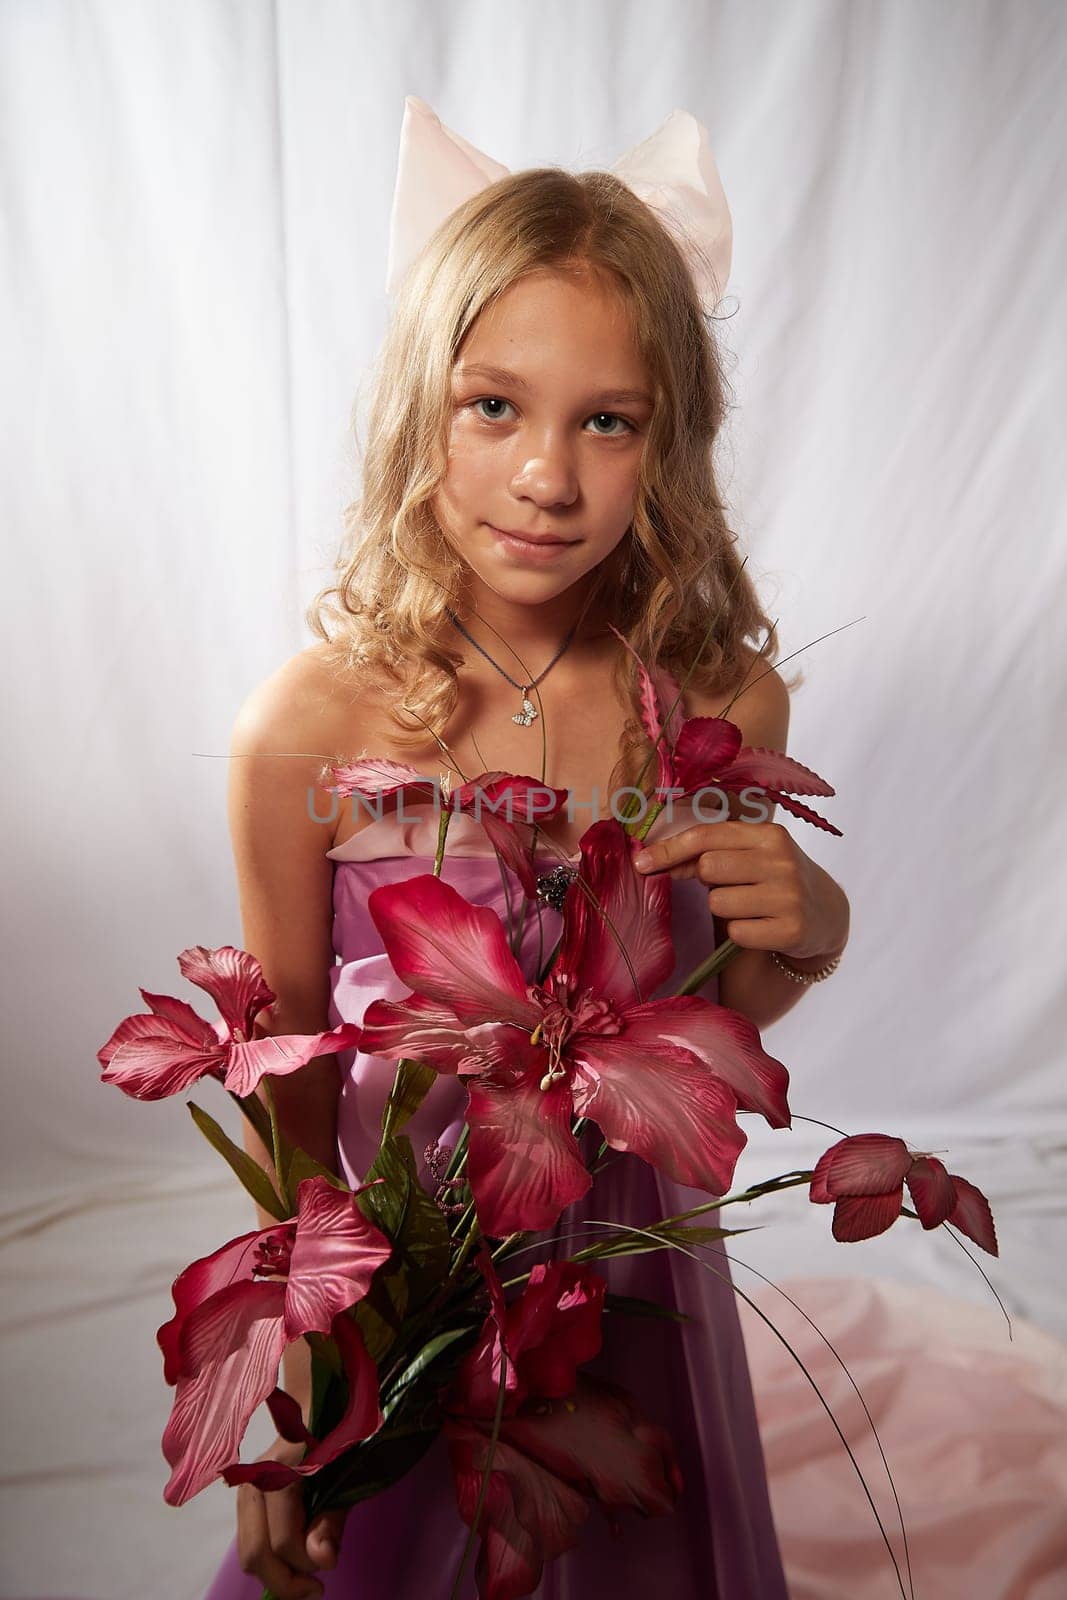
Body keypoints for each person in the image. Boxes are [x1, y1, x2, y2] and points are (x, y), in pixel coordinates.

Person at [204, 107, 850, 1600]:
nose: (546, 478)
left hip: (632, 1271)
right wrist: (307, 1341)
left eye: (605, 420)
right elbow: (286, 1078)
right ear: (415, 407)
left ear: (668, 442)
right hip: (416, 1282)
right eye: (493, 406)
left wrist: (807, 923)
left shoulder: (716, 702)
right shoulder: (308, 725)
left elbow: (716, 1025)